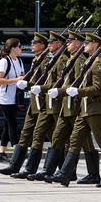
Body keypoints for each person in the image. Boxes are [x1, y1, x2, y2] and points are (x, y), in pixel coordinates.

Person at [52, 32, 101, 187]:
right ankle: (65, 174)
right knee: (75, 140)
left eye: (88, 42)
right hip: (84, 108)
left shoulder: (99, 63)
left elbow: (97, 87)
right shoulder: (89, 61)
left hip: (95, 107)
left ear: (96, 44)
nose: (85, 44)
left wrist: (78, 92)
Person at [0, 33, 48, 176]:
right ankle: (15, 166)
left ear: (42, 45)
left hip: (43, 103)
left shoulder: (45, 61)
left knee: (45, 136)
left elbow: (46, 82)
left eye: (35, 42)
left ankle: (44, 170)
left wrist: (29, 83)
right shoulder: (36, 60)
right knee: (26, 134)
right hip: (32, 102)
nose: (31, 44)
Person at [25, 31, 69, 181]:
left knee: (60, 138)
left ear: (59, 44)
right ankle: (33, 169)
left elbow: (59, 82)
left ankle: (63, 171)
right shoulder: (52, 59)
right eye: (48, 42)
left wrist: (40, 88)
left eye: (52, 42)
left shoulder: (62, 60)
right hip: (47, 104)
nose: (49, 44)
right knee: (39, 134)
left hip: (56, 103)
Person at [0, 38, 25, 163]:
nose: (21, 49)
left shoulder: (19, 61)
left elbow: (22, 76)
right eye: (20, 46)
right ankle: (16, 151)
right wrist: (16, 80)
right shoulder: (4, 61)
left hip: (14, 97)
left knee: (7, 124)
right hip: (4, 97)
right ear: (13, 48)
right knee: (12, 123)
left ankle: (1, 152)